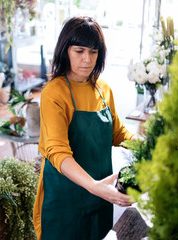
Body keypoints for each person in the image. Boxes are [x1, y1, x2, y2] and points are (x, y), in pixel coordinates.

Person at [33, 16, 135, 240]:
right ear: (65, 50)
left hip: (100, 196)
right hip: (63, 202)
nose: (87, 60)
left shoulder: (103, 89)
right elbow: (57, 151)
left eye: (93, 52)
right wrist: (93, 186)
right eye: (79, 51)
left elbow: (117, 133)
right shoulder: (54, 92)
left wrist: (147, 145)